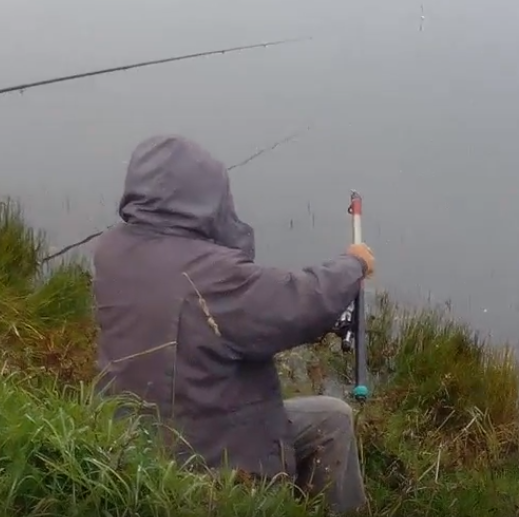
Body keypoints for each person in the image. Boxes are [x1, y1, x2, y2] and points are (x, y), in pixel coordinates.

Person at [91, 134, 376, 515]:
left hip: (131, 443)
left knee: (329, 416)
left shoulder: (111, 251)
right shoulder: (212, 276)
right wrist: (354, 264)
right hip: (207, 458)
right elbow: (299, 301)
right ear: (205, 199)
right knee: (333, 419)